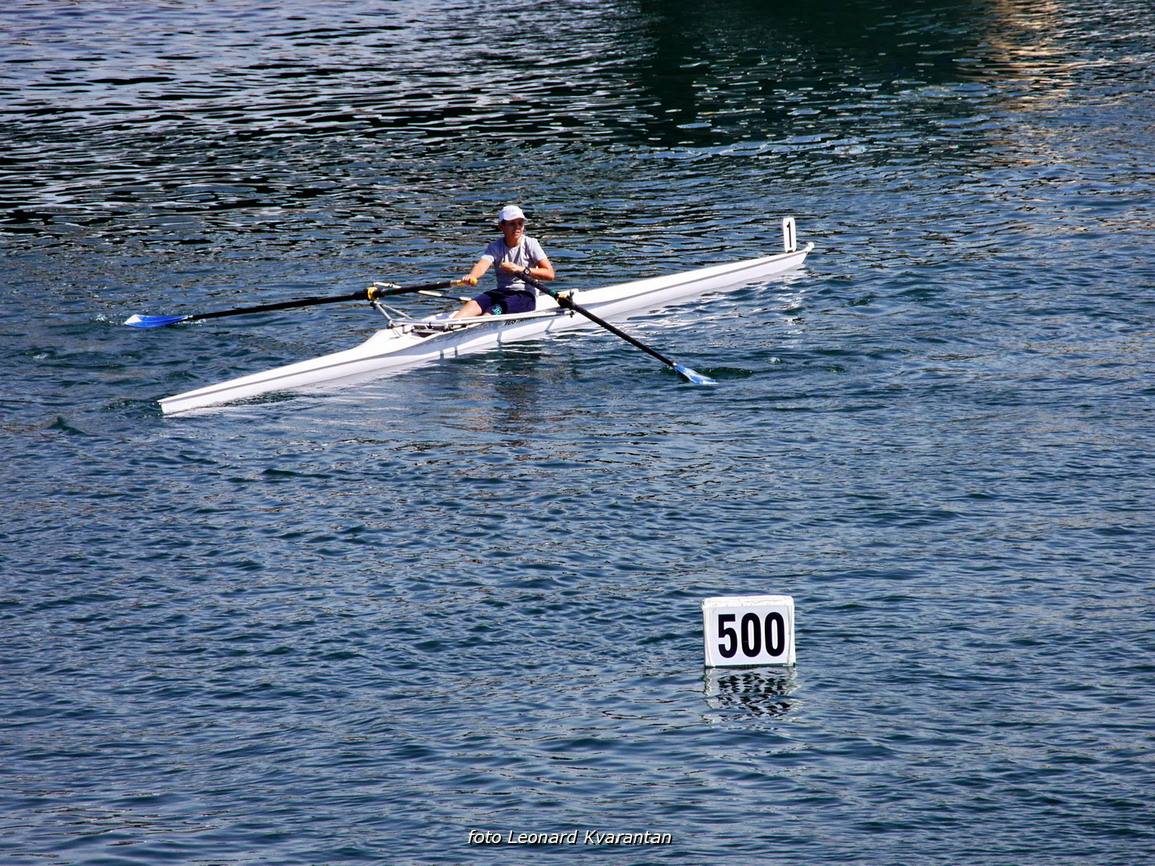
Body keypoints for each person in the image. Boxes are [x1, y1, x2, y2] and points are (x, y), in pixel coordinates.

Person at [454, 205, 555, 318]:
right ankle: (448, 327)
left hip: (525, 296)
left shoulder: (531, 244)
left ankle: (481, 324)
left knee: (492, 311)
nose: (517, 227)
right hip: (501, 292)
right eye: (512, 223)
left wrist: (520, 269)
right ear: (501, 226)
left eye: (520, 223)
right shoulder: (495, 247)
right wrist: (472, 276)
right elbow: (482, 265)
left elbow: (550, 274)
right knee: (472, 304)